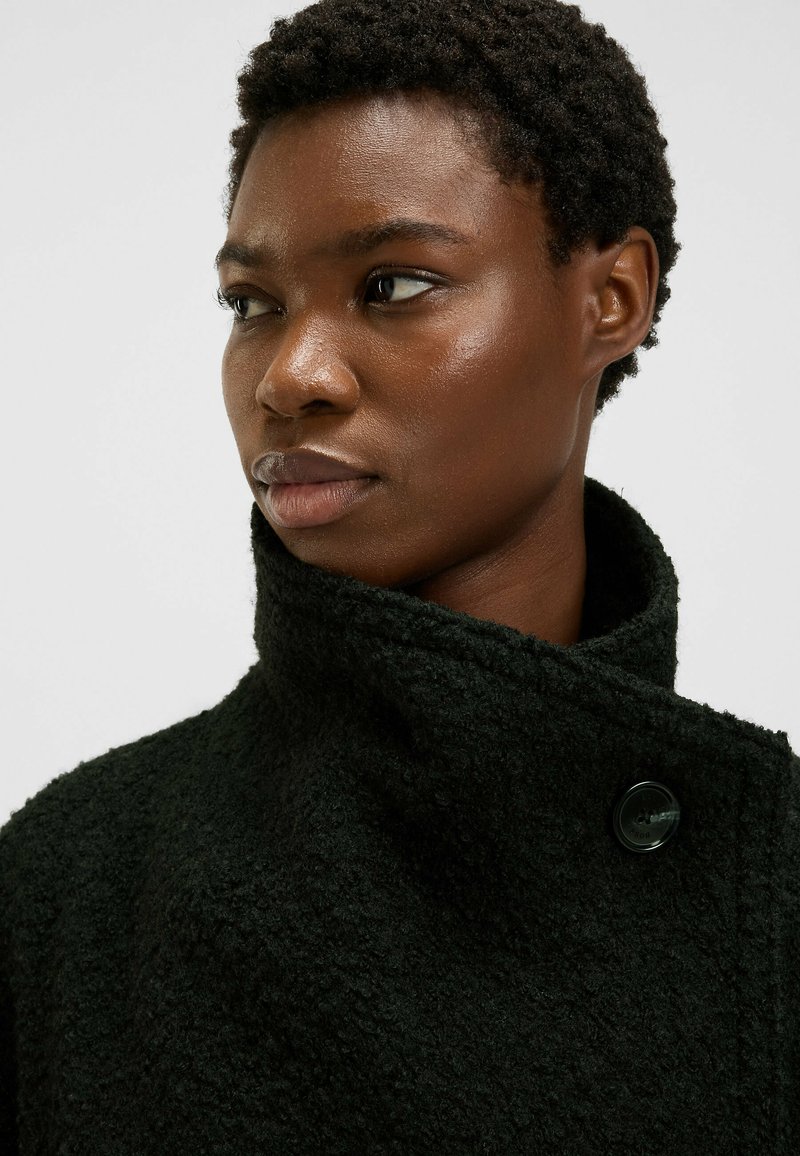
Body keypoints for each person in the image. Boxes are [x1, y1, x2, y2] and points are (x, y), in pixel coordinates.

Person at [1, 0, 797, 1150]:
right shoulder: (75, 889)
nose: (289, 375)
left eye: (393, 286)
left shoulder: (770, 889)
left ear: (609, 299)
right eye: (251, 304)